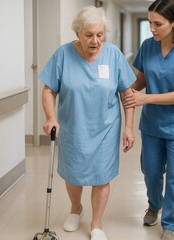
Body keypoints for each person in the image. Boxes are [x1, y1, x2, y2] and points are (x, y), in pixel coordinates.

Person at [39, 6, 136, 240]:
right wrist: (51, 117)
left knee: (101, 177)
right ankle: (76, 209)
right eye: (89, 35)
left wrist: (129, 127)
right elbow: (48, 90)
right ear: (77, 34)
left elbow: (127, 94)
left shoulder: (113, 55)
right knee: (73, 175)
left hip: (106, 128)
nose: (95, 41)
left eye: (100, 34)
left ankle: (96, 224)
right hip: (73, 128)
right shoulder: (62, 55)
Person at [122, 0, 174, 240]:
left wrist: (145, 99)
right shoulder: (148, 46)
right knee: (150, 170)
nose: (152, 28)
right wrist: (123, 90)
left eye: (158, 24)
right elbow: (140, 80)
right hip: (152, 124)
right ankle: (154, 204)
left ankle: (171, 225)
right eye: (150, 23)